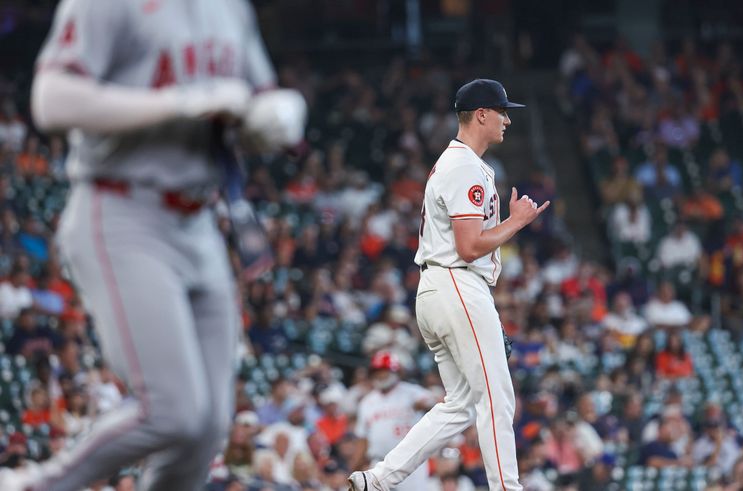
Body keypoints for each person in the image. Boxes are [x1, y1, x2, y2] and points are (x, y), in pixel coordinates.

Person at [0, 0, 305, 489]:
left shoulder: (230, 9)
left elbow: (255, 97)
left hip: (200, 218)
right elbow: (51, 100)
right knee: (171, 411)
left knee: (206, 428)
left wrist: (269, 114)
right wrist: (181, 102)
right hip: (121, 206)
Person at [348, 79, 549, 491]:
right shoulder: (464, 166)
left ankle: (380, 478)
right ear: (481, 114)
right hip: (457, 282)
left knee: (461, 405)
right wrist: (515, 223)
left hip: (441, 288)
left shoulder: (459, 163)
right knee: (497, 396)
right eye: (502, 111)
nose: (507, 119)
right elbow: (470, 246)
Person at [352, 351, 437, 491]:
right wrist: (355, 466)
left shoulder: (411, 392)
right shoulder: (367, 402)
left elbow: (434, 403)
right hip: (379, 463)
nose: (380, 375)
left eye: (384, 371)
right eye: (377, 371)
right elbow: (362, 439)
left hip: (410, 463)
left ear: (396, 372)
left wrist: (425, 405)